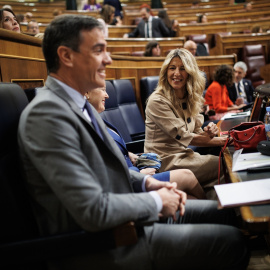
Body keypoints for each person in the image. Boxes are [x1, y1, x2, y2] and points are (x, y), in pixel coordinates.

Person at [18, 15, 250, 269]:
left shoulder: (79, 106)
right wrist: (156, 201)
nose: (108, 59)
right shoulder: (47, 115)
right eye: (99, 50)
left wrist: (148, 182)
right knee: (233, 243)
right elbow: (92, 209)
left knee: (227, 213)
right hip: (106, 243)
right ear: (66, 56)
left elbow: (115, 170)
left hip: (127, 217)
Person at [86, 86, 206, 199]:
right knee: (186, 176)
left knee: (188, 197)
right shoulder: (88, 126)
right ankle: (217, 213)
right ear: (86, 93)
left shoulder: (97, 119)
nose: (107, 95)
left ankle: (209, 211)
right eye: (102, 90)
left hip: (135, 170)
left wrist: (129, 154)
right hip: (129, 183)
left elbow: (112, 150)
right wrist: (139, 172)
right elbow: (104, 170)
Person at [144, 49, 232, 199]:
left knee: (222, 165)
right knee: (224, 166)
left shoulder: (189, 97)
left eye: (182, 68)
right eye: (172, 68)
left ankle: (215, 209)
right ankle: (220, 210)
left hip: (183, 155)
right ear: (166, 72)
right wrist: (225, 140)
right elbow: (184, 136)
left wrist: (208, 131)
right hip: (163, 161)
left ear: (190, 73)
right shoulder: (157, 100)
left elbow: (196, 130)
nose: (176, 73)